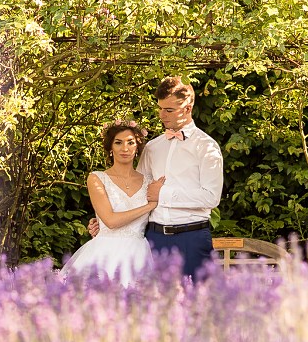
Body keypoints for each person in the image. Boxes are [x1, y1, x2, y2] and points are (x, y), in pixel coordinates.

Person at [89, 76, 223, 281]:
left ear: (188, 108)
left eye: (168, 110)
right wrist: (105, 223)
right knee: (157, 305)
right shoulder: (152, 147)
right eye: (160, 108)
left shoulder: (206, 146)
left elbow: (211, 197)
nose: (162, 115)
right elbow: (140, 193)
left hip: (192, 237)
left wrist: (164, 194)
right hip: (154, 239)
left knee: (200, 303)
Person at [61, 121, 160, 286]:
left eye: (130, 142)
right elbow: (111, 221)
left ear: (137, 148)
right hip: (104, 252)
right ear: (110, 148)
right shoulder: (97, 178)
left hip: (137, 254)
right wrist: (149, 206)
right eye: (118, 143)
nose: (125, 148)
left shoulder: (149, 182)